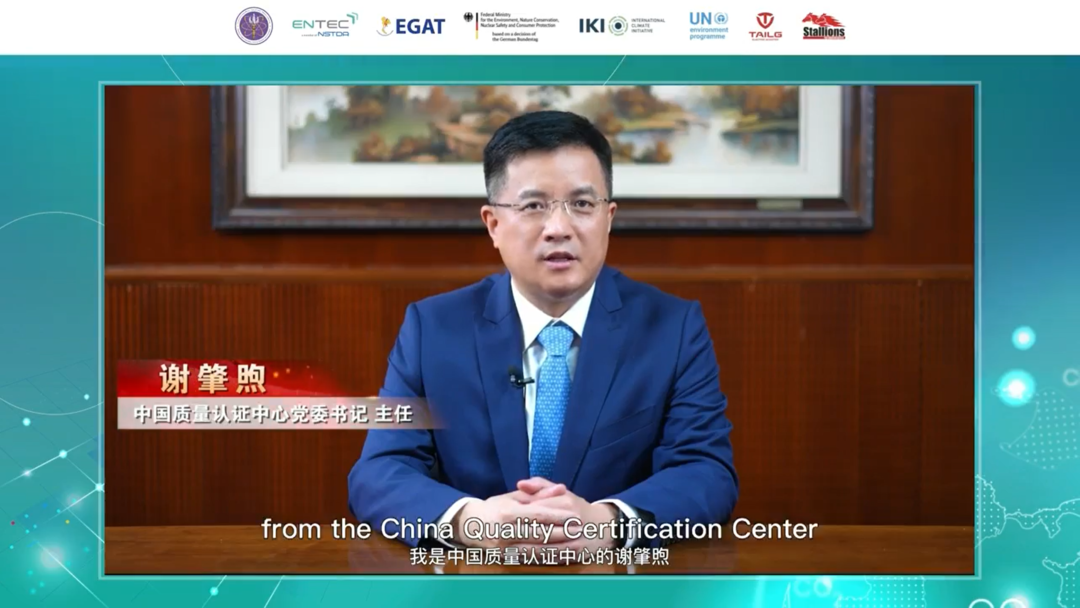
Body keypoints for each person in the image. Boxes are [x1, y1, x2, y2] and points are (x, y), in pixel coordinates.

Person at [347, 110, 737, 553]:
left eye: (582, 204)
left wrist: (608, 522)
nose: (559, 228)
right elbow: (378, 472)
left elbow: (707, 472)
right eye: (533, 206)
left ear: (608, 218)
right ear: (493, 224)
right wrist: (470, 520)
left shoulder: (672, 328)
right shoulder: (433, 329)